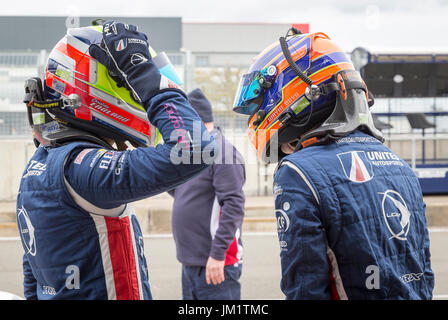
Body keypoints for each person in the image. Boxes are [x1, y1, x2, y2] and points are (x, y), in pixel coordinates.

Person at [17, 21, 216, 300]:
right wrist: (140, 70)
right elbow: (195, 149)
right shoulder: (80, 168)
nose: (138, 95)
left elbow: (34, 276)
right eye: (130, 85)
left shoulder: (41, 162)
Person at [232, 28, 434, 299]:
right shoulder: (400, 165)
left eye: (259, 102)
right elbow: (423, 275)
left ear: (292, 92)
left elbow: (305, 288)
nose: (257, 114)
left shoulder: (297, 172)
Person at [168, 88, 245, 300]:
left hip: (215, 263)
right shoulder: (193, 152)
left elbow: (233, 206)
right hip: (191, 262)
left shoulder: (223, 153)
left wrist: (218, 255)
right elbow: (182, 192)